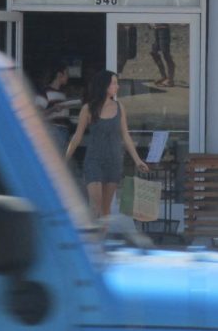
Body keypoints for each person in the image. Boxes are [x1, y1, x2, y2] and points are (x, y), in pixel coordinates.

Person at [65, 70, 149, 218]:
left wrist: (137, 160)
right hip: (94, 160)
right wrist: (64, 159)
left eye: (117, 83)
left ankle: (101, 239)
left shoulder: (119, 107)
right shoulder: (88, 109)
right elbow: (77, 137)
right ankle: (92, 239)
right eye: (114, 83)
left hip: (114, 161)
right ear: (104, 86)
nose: (117, 86)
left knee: (105, 210)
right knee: (95, 208)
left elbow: (125, 135)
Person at [40, 61, 73, 153]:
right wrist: (53, 109)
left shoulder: (63, 94)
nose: (68, 76)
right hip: (53, 131)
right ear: (59, 75)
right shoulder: (45, 92)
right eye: (66, 73)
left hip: (64, 132)